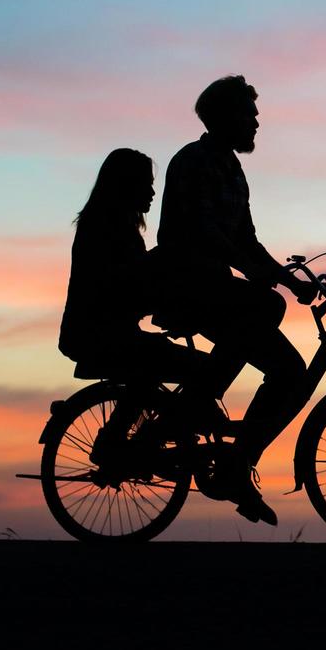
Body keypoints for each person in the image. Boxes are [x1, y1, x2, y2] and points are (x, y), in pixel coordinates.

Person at [155, 75, 319, 527]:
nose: (256, 123)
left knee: (290, 373)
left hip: (215, 289)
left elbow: (246, 239)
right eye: (250, 114)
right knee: (266, 307)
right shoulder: (194, 161)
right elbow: (210, 234)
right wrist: (263, 277)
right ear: (225, 116)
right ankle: (198, 401)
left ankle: (237, 463)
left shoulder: (231, 169)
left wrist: (287, 279)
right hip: (187, 286)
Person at [59, 148, 215, 466]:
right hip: (100, 336)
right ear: (127, 185)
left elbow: (132, 286)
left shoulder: (110, 227)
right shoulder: (108, 230)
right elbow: (123, 285)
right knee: (196, 368)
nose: (153, 191)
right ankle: (137, 440)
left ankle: (141, 434)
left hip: (105, 334)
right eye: (147, 183)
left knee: (168, 367)